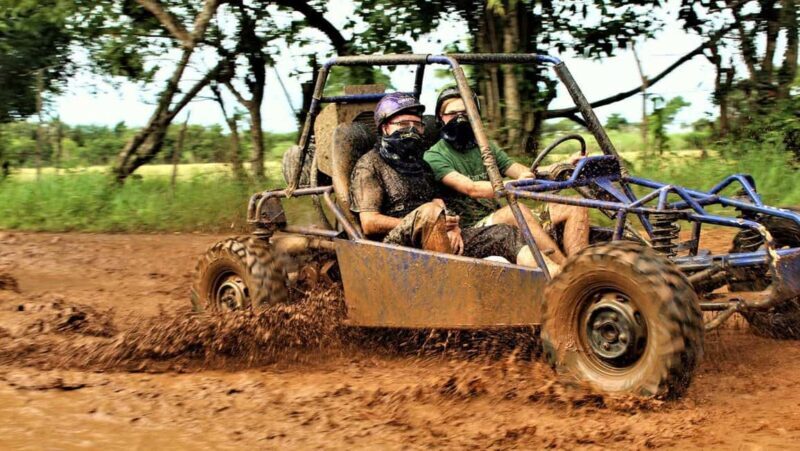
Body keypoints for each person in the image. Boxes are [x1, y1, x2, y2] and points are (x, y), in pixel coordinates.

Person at [349, 92, 543, 268]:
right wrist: (428, 221)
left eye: (416, 125)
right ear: (385, 128)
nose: (411, 130)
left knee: (505, 234)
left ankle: (557, 281)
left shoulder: (420, 164)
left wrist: (452, 226)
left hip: (436, 234)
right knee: (429, 212)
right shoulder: (369, 165)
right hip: (394, 247)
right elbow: (369, 222)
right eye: (403, 124)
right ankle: (456, 293)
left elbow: (438, 202)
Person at [423, 86, 590, 266]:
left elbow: (524, 172)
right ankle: (569, 273)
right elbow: (472, 188)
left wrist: (563, 165)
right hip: (470, 228)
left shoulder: (485, 146)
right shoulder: (434, 155)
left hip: (495, 215)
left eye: (465, 112)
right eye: (452, 113)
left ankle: (583, 268)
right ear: (441, 117)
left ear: (475, 116)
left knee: (574, 206)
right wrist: (515, 184)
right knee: (515, 211)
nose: (460, 118)